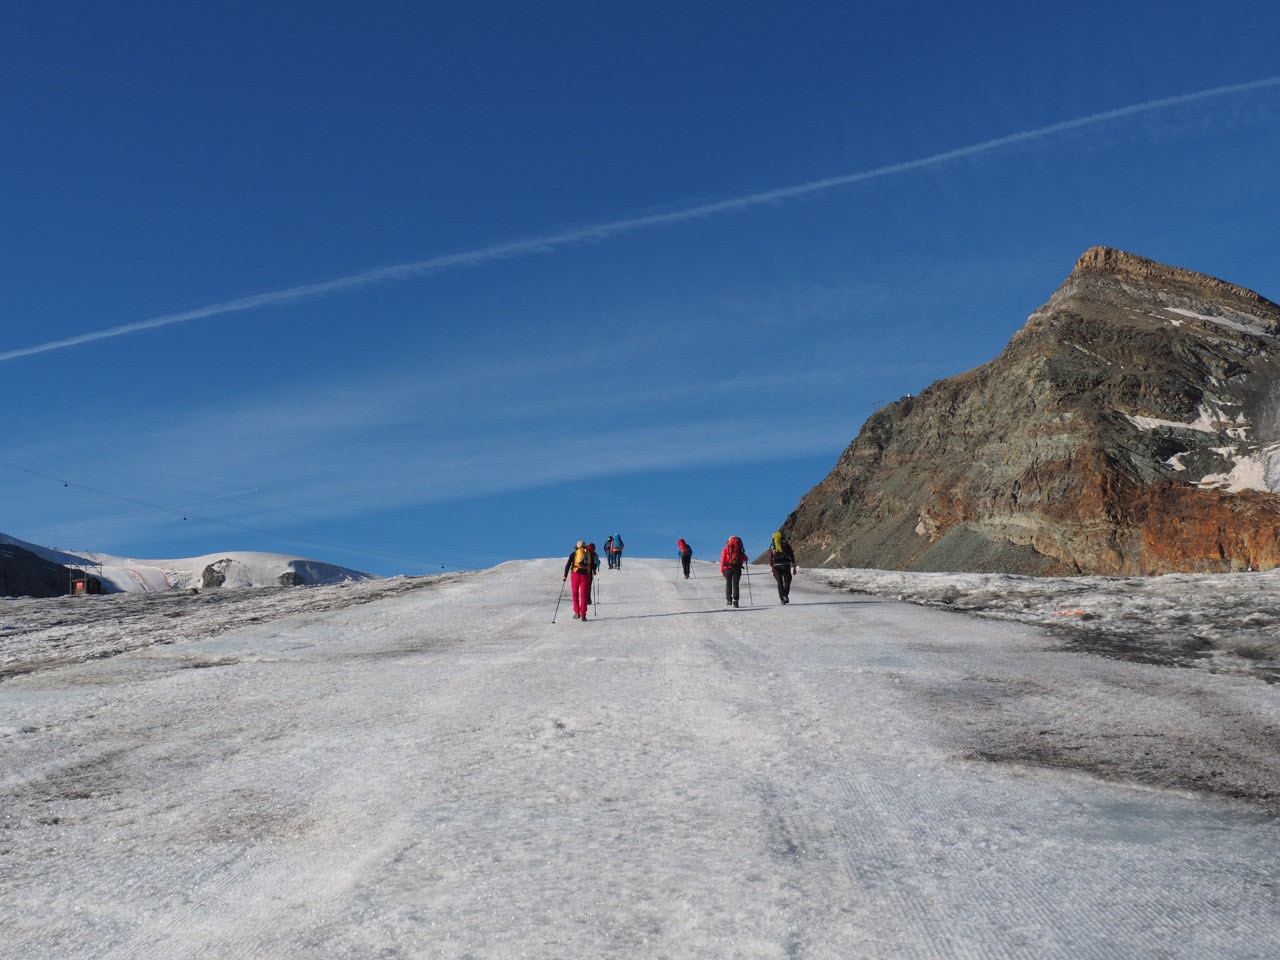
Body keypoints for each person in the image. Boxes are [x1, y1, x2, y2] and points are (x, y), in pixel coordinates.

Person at [562, 540, 595, 621]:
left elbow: (568, 565)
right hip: (585, 576)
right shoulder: (588, 554)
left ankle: (577, 613)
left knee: (575, 594)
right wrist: (593, 570)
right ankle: (583, 615)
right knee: (584, 595)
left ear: (577, 546)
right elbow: (593, 566)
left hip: (575, 575)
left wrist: (565, 576)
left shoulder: (574, 554)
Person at [768, 530, 797, 604]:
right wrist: (794, 567)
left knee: (780, 582)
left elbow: (771, 558)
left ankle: (782, 599)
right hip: (786, 565)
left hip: (776, 566)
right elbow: (791, 555)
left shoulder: (772, 546)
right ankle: (785, 594)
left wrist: (772, 568)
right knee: (787, 580)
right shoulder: (786, 544)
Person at [721, 536, 747, 607]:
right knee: (736, 585)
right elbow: (746, 559)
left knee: (728, 584)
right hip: (737, 569)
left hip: (727, 568)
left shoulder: (726, 549)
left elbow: (723, 560)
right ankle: (735, 601)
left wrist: (722, 570)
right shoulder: (739, 549)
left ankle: (729, 600)